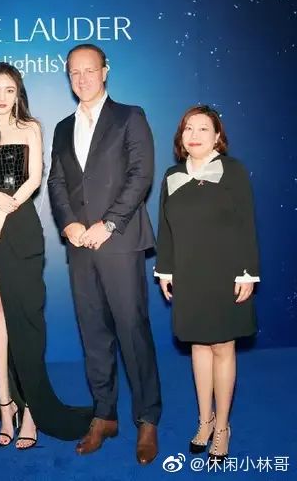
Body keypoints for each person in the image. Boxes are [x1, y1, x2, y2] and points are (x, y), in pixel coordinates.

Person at [0, 62, 93, 450]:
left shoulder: (30, 128)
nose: (2, 97)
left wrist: (5, 209)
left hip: (18, 224)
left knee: (25, 319)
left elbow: (35, 178)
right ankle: (6, 407)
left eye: (9, 90)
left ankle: (33, 410)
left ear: (18, 93)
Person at [47, 44, 162, 465]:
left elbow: (141, 174)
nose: (82, 78)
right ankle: (104, 414)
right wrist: (69, 224)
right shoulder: (62, 127)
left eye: (89, 70)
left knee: (132, 330)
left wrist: (107, 223)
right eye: (74, 72)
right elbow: (56, 182)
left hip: (119, 241)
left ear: (105, 71)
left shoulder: (130, 116)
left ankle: (147, 419)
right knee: (93, 333)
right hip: (80, 246)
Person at [154, 105, 258, 462]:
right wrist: (165, 270)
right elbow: (165, 229)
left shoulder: (234, 171)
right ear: (180, 137)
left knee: (223, 347)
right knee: (198, 346)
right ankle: (205, 420)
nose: (194, 134)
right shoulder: (172, 175)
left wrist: (247, 272)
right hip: (188, 274)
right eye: (188, 128)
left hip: (225, 273)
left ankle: (223, 426)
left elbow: (246, 225)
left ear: (217, 137)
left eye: (203, 128)